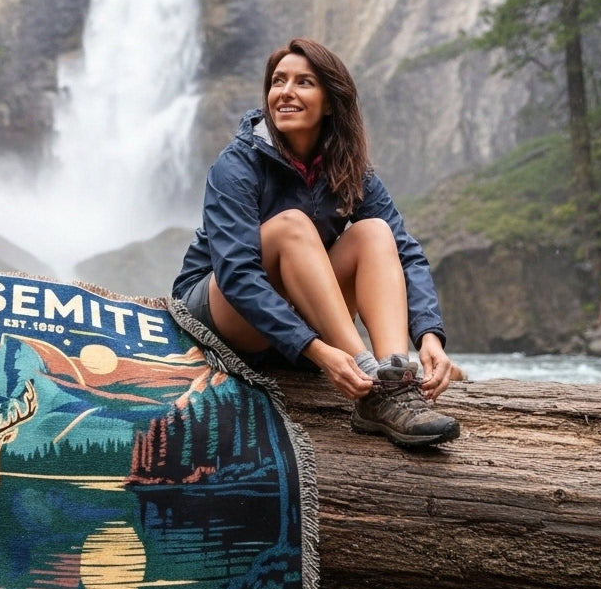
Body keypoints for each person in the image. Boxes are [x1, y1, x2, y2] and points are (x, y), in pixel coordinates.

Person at [172, 37, 459, 447]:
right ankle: (367, 373)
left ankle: (395, 382)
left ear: (330, 102)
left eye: (303, 82)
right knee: (293, 225)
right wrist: (316, 351)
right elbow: (236, 274)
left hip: (292, 318)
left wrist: (430, 335)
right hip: (220, 315)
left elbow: (406, 252)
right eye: (277, 81)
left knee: (374, 232)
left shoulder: (351, 169)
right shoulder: (236, 165)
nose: (285, 92)